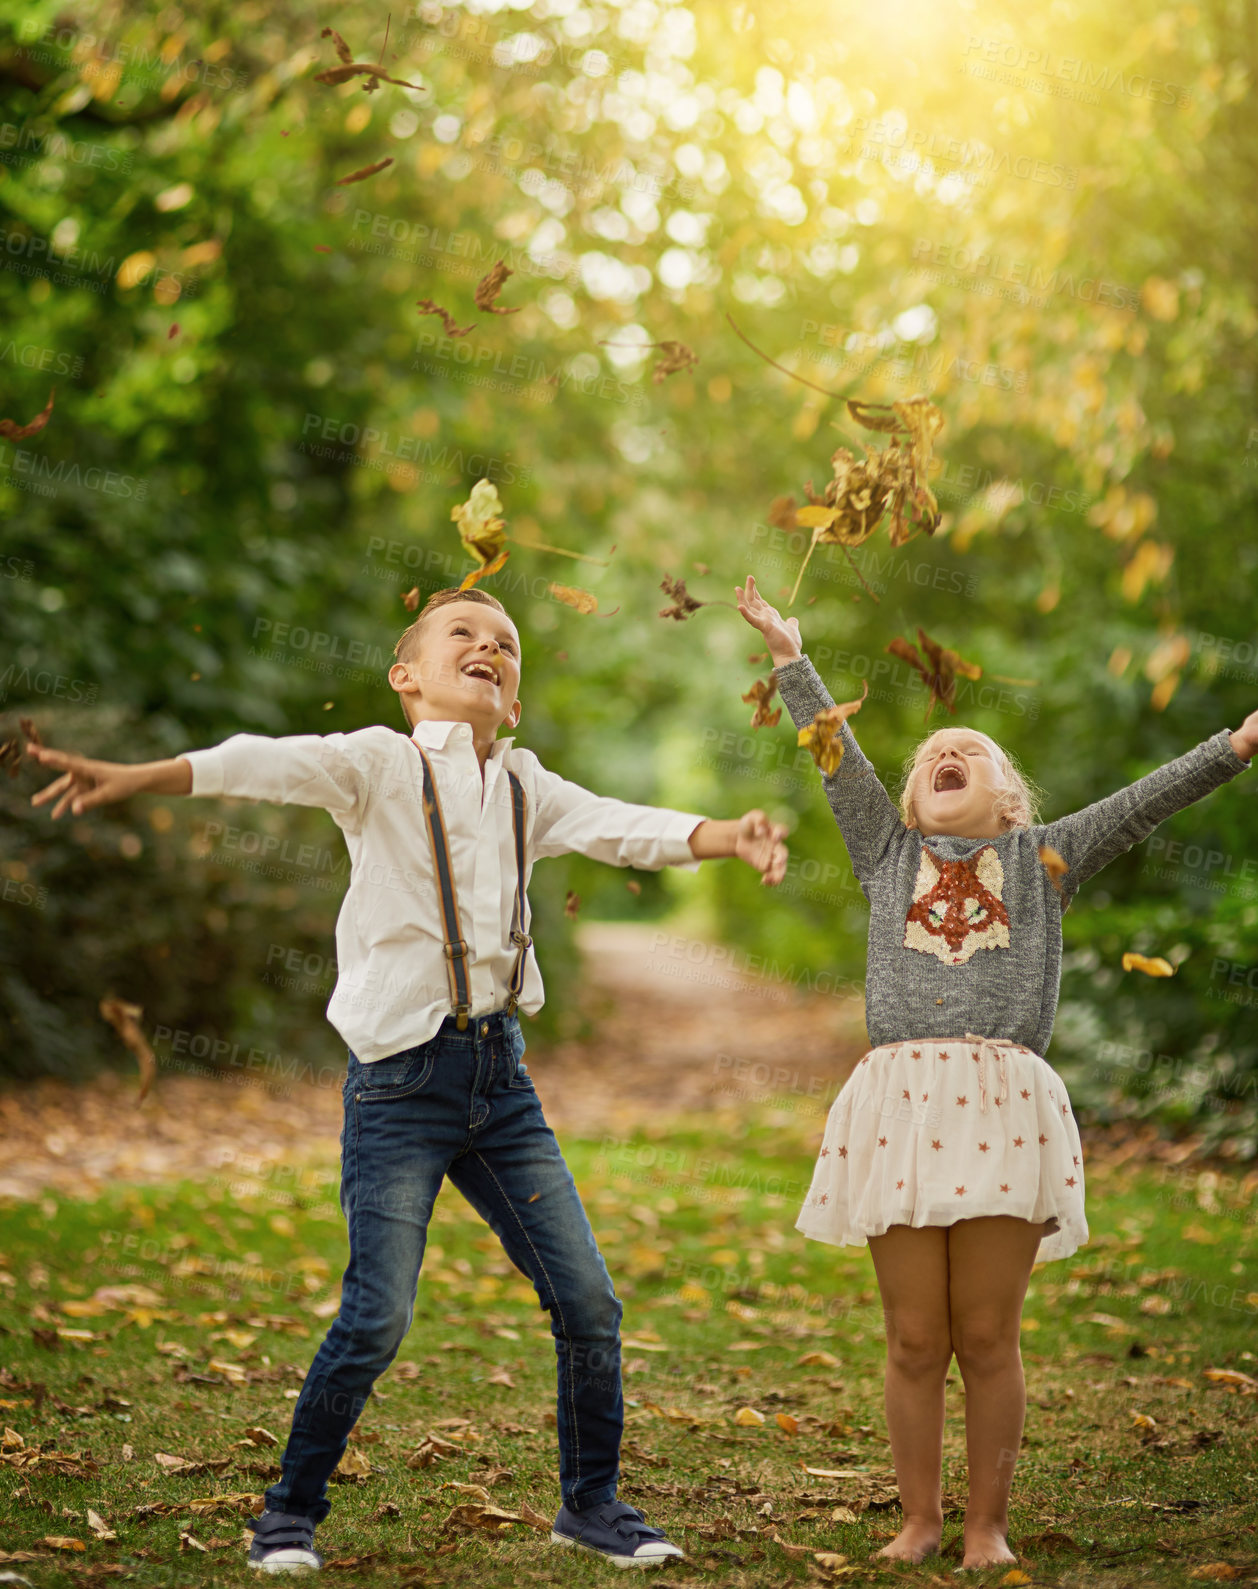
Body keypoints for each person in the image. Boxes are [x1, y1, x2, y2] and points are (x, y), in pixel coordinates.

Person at [29, 586, 789, 1573]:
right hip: (397, 1084)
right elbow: (266, 763)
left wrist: (722, 833)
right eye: (463, 635)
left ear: (513, 698)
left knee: (589, 1299)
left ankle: (592, 1506)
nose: (490, 648)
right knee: (378, 1310)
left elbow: (619, 822)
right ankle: (287, 1516)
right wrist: (141, 775)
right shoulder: (377, 766)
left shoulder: (525, 787)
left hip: (501, 1085)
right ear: (408, 676)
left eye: (507, 644)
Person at [736, 574, 1254, 1570]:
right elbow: (833, 757)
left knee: (984, 1333)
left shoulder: (1044, 859)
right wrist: (787, 655)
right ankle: (919, 1518)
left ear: (1009, 799)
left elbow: (1143, 802)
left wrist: (1232, 746)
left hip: (1003, 1105)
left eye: (966, 751)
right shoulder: (886, 854)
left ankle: (984, 1525)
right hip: (896, 1105)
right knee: (914, 1338)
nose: (944, 752)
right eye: (931, 752)